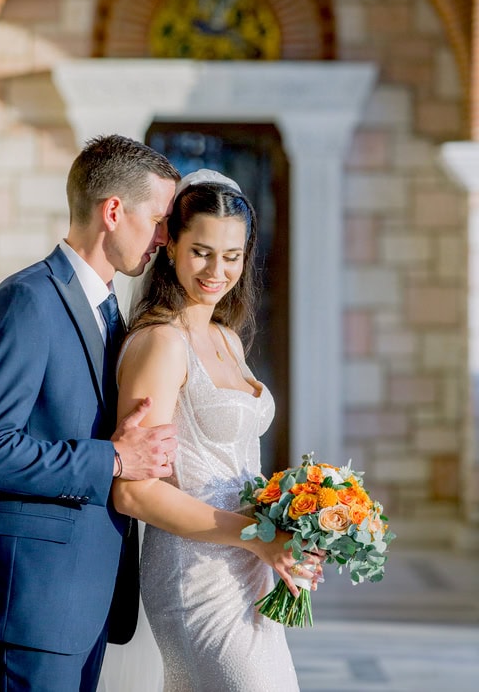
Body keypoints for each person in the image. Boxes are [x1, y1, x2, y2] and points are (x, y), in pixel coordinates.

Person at [0, 134, 181, 692]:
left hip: (83, 598)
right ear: (113, 212)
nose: (164, 238)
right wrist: (113, 459)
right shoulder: (26, 300)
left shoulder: (113, 310)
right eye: (158, 220)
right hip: (25, 601)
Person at [112, 169, 322, 692]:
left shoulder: (226, 338)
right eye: (201, 252)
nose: (216, 270)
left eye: (232, 256)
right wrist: (260, 537)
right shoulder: (161, 343)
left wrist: (292, 527)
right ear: (170, 247)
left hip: (251, 567)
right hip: (195, 572)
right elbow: (134, 492)